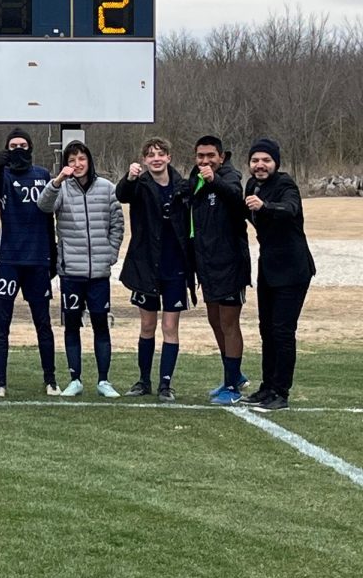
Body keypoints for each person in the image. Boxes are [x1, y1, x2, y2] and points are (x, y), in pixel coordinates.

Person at [36, 139, 125, 399]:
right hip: (71, 272)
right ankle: (75, 378)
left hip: (99, 273)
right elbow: (43, 206)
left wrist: (110, 253)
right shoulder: (61, 189)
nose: (77, 164)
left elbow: (117, 225)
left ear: (89, 161)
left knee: (101, 324)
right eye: (72, 160)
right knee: (72, 325)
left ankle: (104, 380)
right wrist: (56, 181)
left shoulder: (107, 188)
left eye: (81, 159)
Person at [116, 137, 193, 402]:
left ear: (169, 157)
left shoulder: (183, 186)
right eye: (150, 155)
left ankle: (165, 383)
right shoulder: (139, 184)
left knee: (170, 326)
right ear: (145, 160)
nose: (156, 158)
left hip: (175, 268)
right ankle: (143, 380)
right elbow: (121, 194)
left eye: (161, 154)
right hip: (145, 267)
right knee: (147, 325)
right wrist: (129, 177)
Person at [241, 138, 315, 412]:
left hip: (293, 269)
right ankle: (267, 386)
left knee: (283, 331)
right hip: (269, 268)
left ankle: (281, 392)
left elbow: (291, 208)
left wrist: (265, 206)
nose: (260, 165)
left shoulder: (285, 185)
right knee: (266, 330)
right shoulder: (251, 185)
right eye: (255, 160)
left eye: (266, 160)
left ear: (275, 163)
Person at [0, 128, 58, 397]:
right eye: (12, 145)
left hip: (37, 258)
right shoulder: (3, 175)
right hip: (9, 258)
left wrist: (52, 255)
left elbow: (50, 215)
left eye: (22, 144)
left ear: (30, 147)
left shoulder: (42, 174)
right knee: (1, 324)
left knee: (43, 322)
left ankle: (50, 379)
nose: (18, 149)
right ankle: (0, 382)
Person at [186, 136, 251, 405]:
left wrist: (215, 180)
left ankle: (233, 386)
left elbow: (237, 200)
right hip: (207, 265)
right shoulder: (195, 180)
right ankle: (232, 376)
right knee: (214, 320)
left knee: (229, 323)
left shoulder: (230, 178)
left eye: (210, 155)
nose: (205, 161)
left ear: (221, 157)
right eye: (200, 156)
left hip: (230, 264)